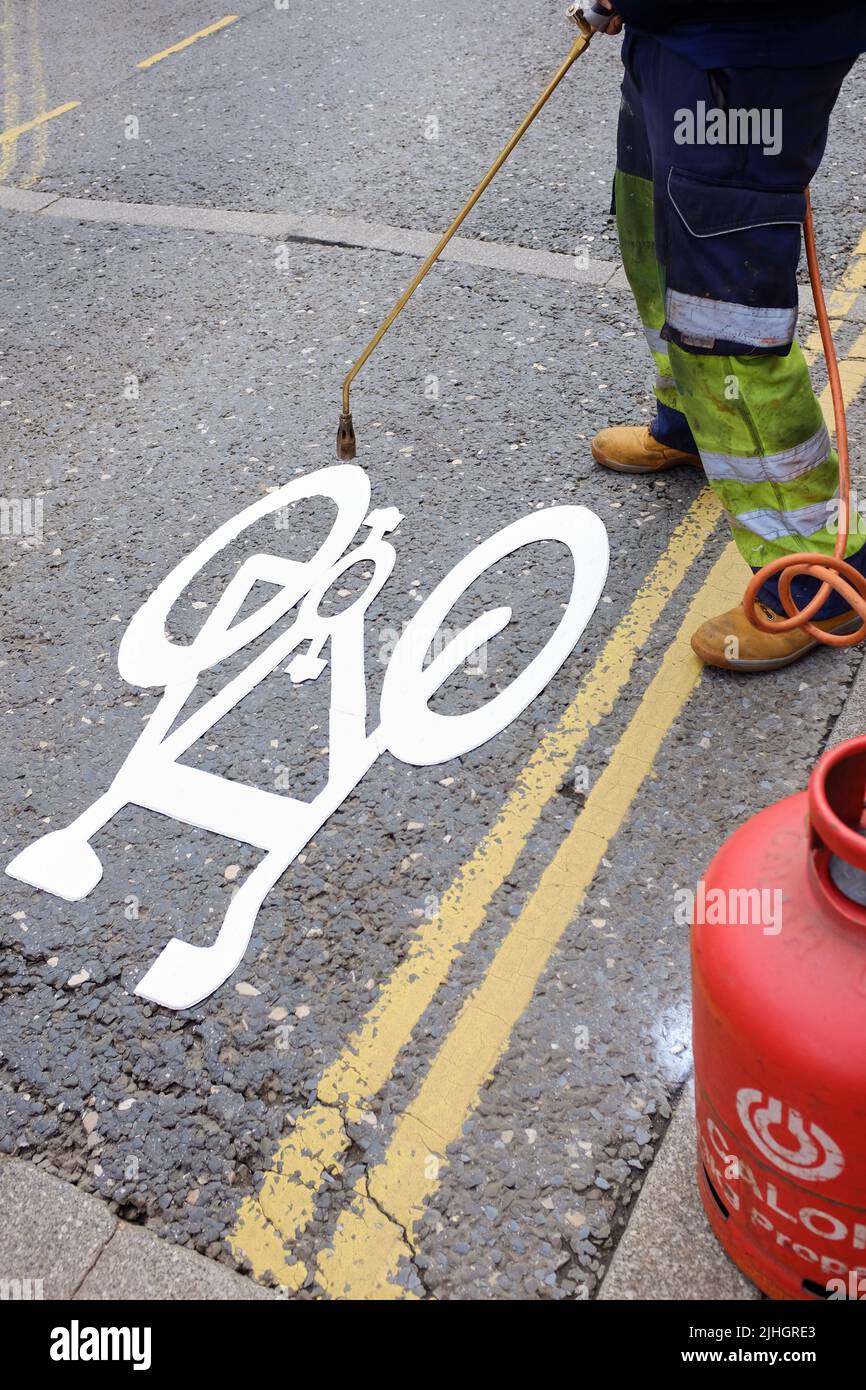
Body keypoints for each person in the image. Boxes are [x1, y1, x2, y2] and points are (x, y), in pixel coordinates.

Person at [590, 0, 866, 670]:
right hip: (677, 38)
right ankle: (685, 425)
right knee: (653, 242)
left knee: (722, 317)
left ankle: (813, 576)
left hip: (743, 53)